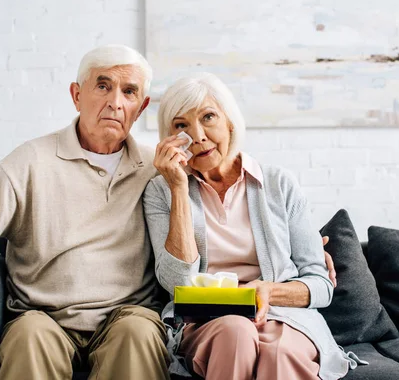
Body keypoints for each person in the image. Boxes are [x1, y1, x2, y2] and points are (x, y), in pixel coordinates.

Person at [0, 45, 170, 380]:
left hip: (128, 317)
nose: (115, 102)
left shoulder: (156, 169)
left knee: (139, 334)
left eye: (129, 92)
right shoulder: (30, 161)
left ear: (141, 107)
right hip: (43, 318)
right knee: (28, 337)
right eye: (102, 86)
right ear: (76, 95)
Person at [143, 73, 357, 380]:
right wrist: (178, 188)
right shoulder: (160, 191)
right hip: (206, 320)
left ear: (230, 121)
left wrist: (268, 291)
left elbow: (321, 286)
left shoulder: (278, 183)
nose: (198, 135)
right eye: (181, 126)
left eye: (208, 117)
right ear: (170, 137)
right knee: (235, 332)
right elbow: (177, 283)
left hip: (286, 318)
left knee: (280, 352)